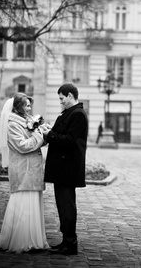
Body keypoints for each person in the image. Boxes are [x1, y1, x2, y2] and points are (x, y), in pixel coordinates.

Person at [0, 93, 50, 253]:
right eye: (26, 105)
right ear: (17, 107)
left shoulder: (27, 122)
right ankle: (22, 241)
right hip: (24, 170)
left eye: (30, 105)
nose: (29, 108)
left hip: (32, 170)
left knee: (33, 204)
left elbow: (35, 142)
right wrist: (39, 135)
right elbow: (22, 146)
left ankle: (34, 240)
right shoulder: (12, 124)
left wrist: (46, 136)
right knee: (24, 204)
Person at [45, 83, 88, 256]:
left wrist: (50, 135)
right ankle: (66, 241)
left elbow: (69, 140)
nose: (60, 102)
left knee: (67, 207)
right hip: (62, 168)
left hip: (67, 169)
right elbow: (61, 133)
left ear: (70, 95)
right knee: (63, 207)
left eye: (62, 98)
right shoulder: (70, 113)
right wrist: (49, 131)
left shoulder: (77, 114)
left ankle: (70, 243)